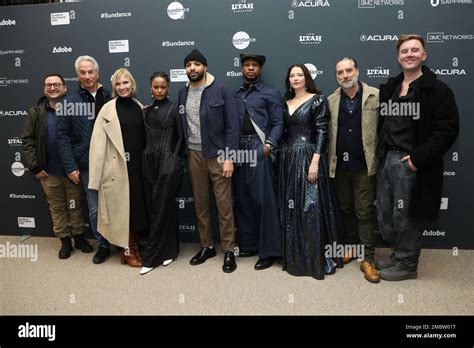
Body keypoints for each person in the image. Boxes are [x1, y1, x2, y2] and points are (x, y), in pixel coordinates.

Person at [375, 34, 459, 281]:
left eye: (415, 50)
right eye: (404, 51)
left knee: (408, 216)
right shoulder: (391, 87)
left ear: (424, 55)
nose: (409, 54)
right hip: (388, 159)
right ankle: (398, 254)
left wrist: (416, 159)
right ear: (398, 56)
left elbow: (447, 131)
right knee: (387, 214)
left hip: (413, 164)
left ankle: (407, 264)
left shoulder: (438, 90)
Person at [277, 64, 343, 280]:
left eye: (300, 75)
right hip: (288, 158)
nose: (296, 78)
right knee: (291, 207)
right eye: (292, 75)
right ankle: (295, 255)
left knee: (310, 206)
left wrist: (315, 161)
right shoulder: (284, 102)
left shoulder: (318, 100)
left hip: (308, 156)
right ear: (288, 80)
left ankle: (314, 257)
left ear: (307, 78)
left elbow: (322, 131)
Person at [178, 49, 240, 273]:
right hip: (194, 155)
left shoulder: (220, 88)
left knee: (224, 205)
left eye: (196, 64)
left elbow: (233, 125)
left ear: (205, 66)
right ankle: (207, 246)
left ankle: (229, 250)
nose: (192, 68)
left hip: (219, 155)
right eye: (188, 65)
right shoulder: (182, 93)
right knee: (201, 204)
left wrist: (229, 157)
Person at [21, 74, 92, 259]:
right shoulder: (35, 112)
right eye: (48, 85)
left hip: (72, 170)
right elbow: (27, 140)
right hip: (48, 172)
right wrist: (34, 167)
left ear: (65, 88)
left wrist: (77, 165)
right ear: (44, 88)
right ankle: (65, 241)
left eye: (56, 84)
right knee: (57, 207)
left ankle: (79, 237)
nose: (52, 88)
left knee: (75, 205)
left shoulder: (75, 109)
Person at [327, 57, 380, 283]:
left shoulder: (375, 96)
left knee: (364, 212)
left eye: (349, 71)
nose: (345, 75)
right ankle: (351, 248)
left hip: (364, 166)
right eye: (340, 72)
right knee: (346, 209)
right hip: (340, 167)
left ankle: (367, 258)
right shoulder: (331, 100)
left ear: (357, 71)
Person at [88, 68, 147, 268]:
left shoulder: (140, 106)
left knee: (137, 208)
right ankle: (127, 249)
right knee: (123, 210)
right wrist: (96, 178)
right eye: (118, 84)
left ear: (132, 84)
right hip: (117, 169)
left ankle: (134, 245)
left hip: (138, 167)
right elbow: (97, 145)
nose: (123, 87)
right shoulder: (107, 109)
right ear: (114, 87)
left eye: (126, 83)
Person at [56, 55, 112, 264]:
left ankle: (122, 243)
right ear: (77, 75)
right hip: (87, 163)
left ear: (97, 73)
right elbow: (61, 136)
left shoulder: (110, 96)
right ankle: (104, 245)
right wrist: (70, 166)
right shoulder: (69, 102)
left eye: (91, 72)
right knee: (95, 208)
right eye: (83, 72)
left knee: (118, 204)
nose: (87, 76)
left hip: (113, 161)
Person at [233, 52, 284, 270]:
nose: (250, 68)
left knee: (263, 200)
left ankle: (269, 250)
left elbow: (279, 122)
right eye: (247, 65)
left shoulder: (270, 93)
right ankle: (249, 244)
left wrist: (269, 145)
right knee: (243, 198)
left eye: (254, 65)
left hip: (258, 146)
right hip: (238, 148)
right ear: (242, 69)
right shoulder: (235, 95)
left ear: (260, 70)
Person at [140, 71, 185, 275]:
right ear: (150, 88)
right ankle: (170, 250)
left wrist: (173, 163)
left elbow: (182, 138)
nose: (159, 90)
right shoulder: (145, 111)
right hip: (148, 163)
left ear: (168, 88)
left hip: (169, 164)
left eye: (163, 87)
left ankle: (151, 256)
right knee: (157, 207)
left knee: (161, 205)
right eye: (155, 87)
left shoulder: (175, 108)